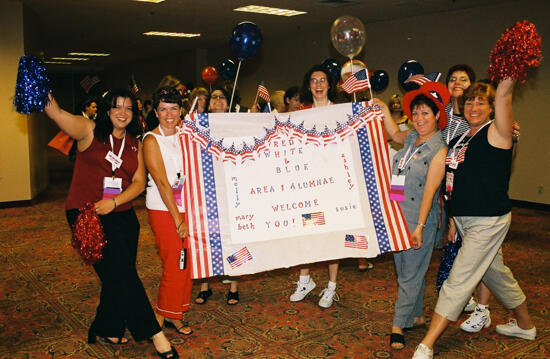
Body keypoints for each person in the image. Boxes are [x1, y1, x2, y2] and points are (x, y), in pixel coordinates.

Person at [44, 89, 178, 358]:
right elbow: (56, 113)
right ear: (107, 110)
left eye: (128, 108)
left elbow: (139, 182)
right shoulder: (89, 130)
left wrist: (115, 203)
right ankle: (155, 333)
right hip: (88, 214)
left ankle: (107, 326)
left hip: (123, 214)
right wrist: (40, 88)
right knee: (123, 274)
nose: (122, 112)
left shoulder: (133, 143)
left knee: (117, 273)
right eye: (117, 107)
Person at [412, 79, 536, 359]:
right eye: (469, 101)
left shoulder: (498, 132)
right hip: (466, 219)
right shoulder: (461, 138)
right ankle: (526, 325)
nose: (474, 106)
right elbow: (456, 181)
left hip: (488, 219)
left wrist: (507, 75)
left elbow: (504, 94)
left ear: (493, 107)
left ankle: (427, 344)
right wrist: (454, 219)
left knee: (459, 278)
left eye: (482, 101)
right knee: (496, 275)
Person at [374, 81, 448, 350]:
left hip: (419, 220)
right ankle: (415, 315)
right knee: (406, 270)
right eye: (415, 113)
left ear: (437, 115)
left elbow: (429, 192)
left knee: (410, 274)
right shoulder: (410, 139)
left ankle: (398, 324)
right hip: (397, 215)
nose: (419, 119)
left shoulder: (439, 150)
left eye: (425, 113)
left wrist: (419, 226)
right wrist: (382, 106)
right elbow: (393, 132)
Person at [143, 87, 193, 337]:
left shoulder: (186, 134)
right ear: (155, 112)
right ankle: (160, 316)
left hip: (188, 206)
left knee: (187, 263)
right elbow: (162, 182)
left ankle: (176, 313)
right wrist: (177, 219)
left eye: (174, 108)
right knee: (175, 262)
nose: (169, 114)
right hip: (164, 209)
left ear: (181, 110)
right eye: (163, 109)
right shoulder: (152, 139)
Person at [289, 64, 340, 309]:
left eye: (322, 80)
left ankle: (331, 287)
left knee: (331, 236)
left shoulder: (340, 112)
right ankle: (304, 280)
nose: (318, 85)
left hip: (333, 186)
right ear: (309, 86)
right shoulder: (302, 113)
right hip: (308, 185)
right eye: (313, 80)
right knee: (307, 232)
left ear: (329, 84)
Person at [195, 87, 240, 305]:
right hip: (208, 189)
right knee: (207, 238)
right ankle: (205, 285)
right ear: (208, 103)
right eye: (215, 97)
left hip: (232, 188)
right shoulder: (200, 126)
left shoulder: (236, 125)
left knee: (234, 239)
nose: (219, 101)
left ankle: (233, 286)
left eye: (223, 97)